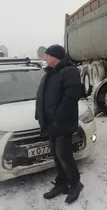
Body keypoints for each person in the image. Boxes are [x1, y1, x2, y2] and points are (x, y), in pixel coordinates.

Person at [35, 44, 84, 204]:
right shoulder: (50, 73)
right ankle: (62, 183)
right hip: (50, 122)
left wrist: (58, 116)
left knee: (64, 154)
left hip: (62, 122)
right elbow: (43, 96)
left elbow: (71, 97)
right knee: (56, 154)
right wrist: (40, 114)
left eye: (47, 55)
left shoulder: (69, 71)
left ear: (55, 56)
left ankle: (76, 183)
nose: (44, 58)